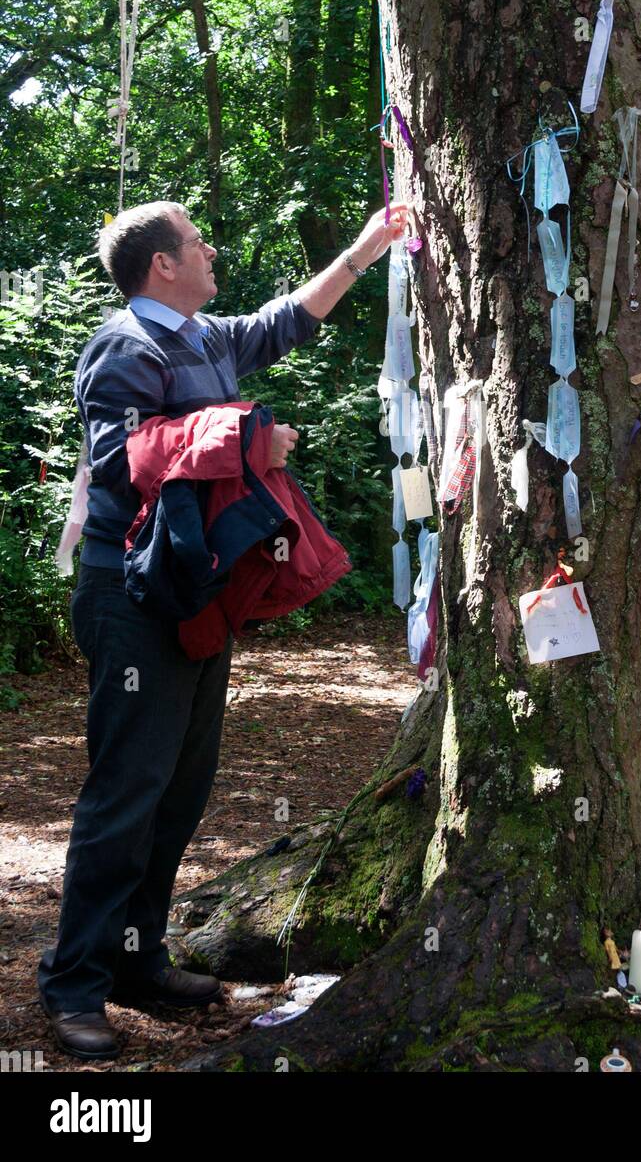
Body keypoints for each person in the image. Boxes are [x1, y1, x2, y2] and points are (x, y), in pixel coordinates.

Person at [37, 198, 409, 1060]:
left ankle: (137, 960)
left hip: (193, 593)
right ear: (162, 265)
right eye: (198, 243)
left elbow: (288, 319)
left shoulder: (204, 339)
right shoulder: (124, 349)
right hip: (130, 598)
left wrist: (369, 246)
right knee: (127, 794)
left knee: (180, 788)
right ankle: (74, 985)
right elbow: (127, 461)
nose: (212, 252)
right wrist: (248, 445)